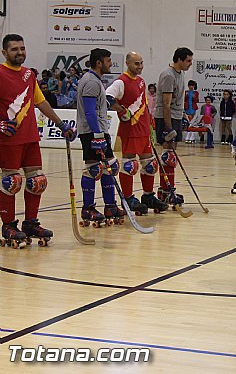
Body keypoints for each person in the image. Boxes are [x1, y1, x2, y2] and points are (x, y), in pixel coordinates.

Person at [0, 34, 76, 247]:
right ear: (4, 53)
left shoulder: (29, 75)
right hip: (8, 140)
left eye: (22, 48)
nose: (20, 52)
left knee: (37, 181)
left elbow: (41, 103)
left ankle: (31, 223)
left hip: (30, 136)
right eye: (14, 49)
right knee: (11, 182)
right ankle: (8, 224)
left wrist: (61, 125)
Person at [105, 51, 168, 215]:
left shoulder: (141, 81)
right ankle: (128, 198)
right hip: (130, 130)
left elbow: (144, 104)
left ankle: (148, 196)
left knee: (150, 165)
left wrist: (151, 124)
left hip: (144, 130)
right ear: (128, 64)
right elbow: (107, 97)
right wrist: (120, 110)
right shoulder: (121, 82)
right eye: (136, 63)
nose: (140, 67)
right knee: (129, 164)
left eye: (141, 63)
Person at [75, 48, 125, 226]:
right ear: (99, 62)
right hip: (91, 132)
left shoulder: (95, 80)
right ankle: (88, 207)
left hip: (98, 131)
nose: (111, 64)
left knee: (108, 167)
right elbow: (89, 112)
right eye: (108, 61)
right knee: (92, 168)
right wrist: (97, 136)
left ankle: (110, 205)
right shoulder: (91, 82)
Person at [154, 47, 193, 207]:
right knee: (167, 155)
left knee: (171, 156)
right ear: (179, 60)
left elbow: (177, 100)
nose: (190, 64)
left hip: (176, 116)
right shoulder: (168, 76)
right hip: (166, 118)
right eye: (188, 61)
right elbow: (166, 104)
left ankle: (168, 190)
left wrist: (182, 114)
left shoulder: (180, 73)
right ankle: (165, 191)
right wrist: (168, 127)